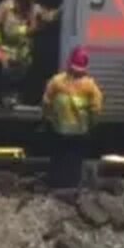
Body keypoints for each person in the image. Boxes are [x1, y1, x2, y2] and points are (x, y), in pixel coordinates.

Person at [0, 0, 61, 108]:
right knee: (3, 80)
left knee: (29, 79)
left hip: (25, 55)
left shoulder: (35, 8)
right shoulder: (5, 7)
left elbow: (49, 17)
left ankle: (24, 98)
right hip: (4, 54)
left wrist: (60, 10)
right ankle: (4, 97)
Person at [42, 46, 104, 189]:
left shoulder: (56, 82)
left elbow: (46, 103)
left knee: (57, 159)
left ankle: (56, 184)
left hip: (59, 130)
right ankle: (72, 186)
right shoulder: (90, 86)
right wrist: (92, 125)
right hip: (80, 132)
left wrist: (48, 119)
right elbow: (96, 109)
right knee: (75, 161)